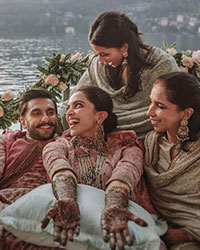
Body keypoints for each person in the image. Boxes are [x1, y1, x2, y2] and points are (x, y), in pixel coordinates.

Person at [41, 85, 158, 250]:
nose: (69, 113)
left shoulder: (128, 148)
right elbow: (59, 169)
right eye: (68, 108)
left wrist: (114, 207)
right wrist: (66, 200)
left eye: (78, 105)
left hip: (119, 224)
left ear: (100, 116)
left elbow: (124, 176)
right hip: (72, 223)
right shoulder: (57, 146)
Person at [75, 11, 180, 140]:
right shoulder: (97, 66)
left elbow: (175, 108)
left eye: (104, 54)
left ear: (124, 48)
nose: (100, 61)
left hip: (146, 125)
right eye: (97, 54)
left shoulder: (162, 64)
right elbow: (77, 97)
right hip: (103, 121)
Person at [144, 72, 200, 250]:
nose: (149, 112)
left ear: (186, 113)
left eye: (160, 106)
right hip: (155, 230)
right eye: (151, 102)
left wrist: (185, 234)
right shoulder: (151, 143)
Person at [0, 88, 61, 250]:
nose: (46, 119)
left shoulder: (66, 146)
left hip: (48, 212)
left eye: (50, 112)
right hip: (8, 208)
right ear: (23, 121)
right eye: (36, 113)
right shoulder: (7, 142)